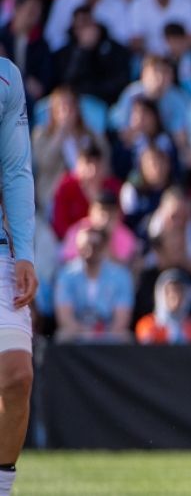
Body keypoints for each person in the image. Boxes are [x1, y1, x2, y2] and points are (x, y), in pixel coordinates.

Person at [0, 58, 36, 496]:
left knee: (17, 374)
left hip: (1, 250)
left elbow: (15, 169)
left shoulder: (7, 76)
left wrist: (25, 252)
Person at [134, 269, 191, 345]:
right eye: (169, 291)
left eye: (180, 291)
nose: (174, 295)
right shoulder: (147, 325)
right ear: (159, 294)